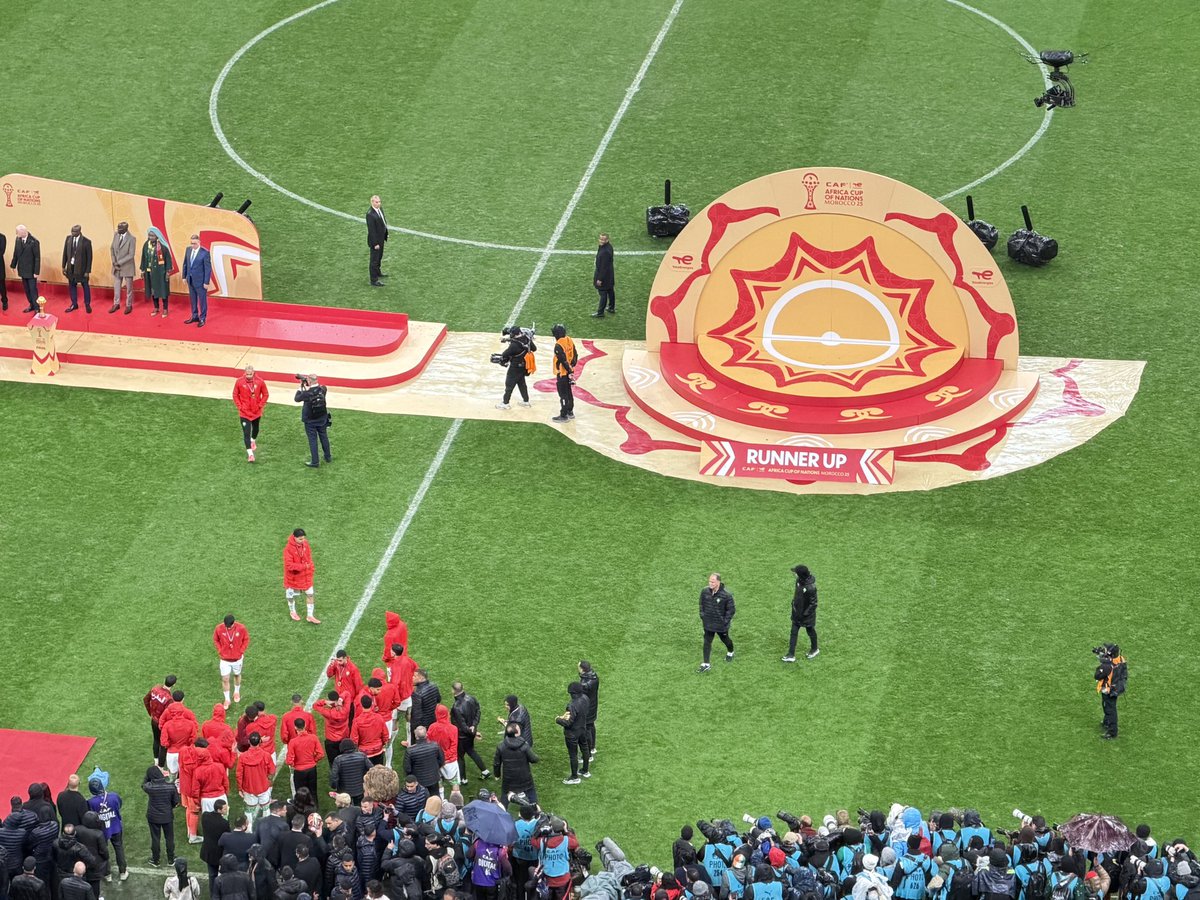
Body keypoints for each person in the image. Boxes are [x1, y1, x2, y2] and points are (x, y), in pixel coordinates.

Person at [86, 778, 126, 881]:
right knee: (119, 848)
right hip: (116, 827)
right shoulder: (114, 796)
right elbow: (119, 805)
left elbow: (90, 815)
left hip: (101, 831)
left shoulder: (90, 802)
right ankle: (123, 872)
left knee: (103, 851)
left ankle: (107, 874)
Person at [450, 682, 489, 784]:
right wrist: (474, 728)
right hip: (469, 734)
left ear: (453, 690)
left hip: (462, 736)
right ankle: (485, 771)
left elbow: (462, 726)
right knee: (471, 751)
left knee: (460, 756)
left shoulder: (456, 707)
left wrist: (472, 731)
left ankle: (463, 779)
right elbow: (478, 712)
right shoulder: (472, 698)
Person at [230, 365, 270, 462]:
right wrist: (240, 407)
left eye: (250, 374)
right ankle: (250, 454)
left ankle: (253, 440)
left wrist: (260, 406)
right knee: (246, 433)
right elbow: (235, 395)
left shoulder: (260, 381)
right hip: (244, 413)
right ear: (245, 373)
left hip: (256, 412)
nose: (248, 376)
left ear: (253, 372)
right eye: (247, 374)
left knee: (256, 429)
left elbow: (266, 394)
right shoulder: (239, 381)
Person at [493, 724, 539, 806]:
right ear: (516, 733)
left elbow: (497, 763)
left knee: (505, 796)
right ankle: (536, 813)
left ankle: (502, 813)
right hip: (524, 777)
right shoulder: (524, 745)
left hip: (509, 779)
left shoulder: (501, 746)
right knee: (531, 795)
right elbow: (534, 759)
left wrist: (497, 775)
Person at [698, 572, 735, 673]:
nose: (710, 583)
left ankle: (730, 652)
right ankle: (706, 664)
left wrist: (724, 622)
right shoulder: (705, 591)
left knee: (725, 639)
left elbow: (731, 610)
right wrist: (703, 616)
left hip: (720, 626)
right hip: (708, 623)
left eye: (713, 582)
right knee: (707, 642)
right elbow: (701, 604)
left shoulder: (726, 595)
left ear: (718, 582)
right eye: (709, 581)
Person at [142, 767, 179, 867]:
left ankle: (155, 860)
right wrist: (169, 807)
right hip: (167, 816)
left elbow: (143, 784)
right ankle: (171, 859)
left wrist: (147, 777)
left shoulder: (150, 787)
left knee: (155, 839)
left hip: (153, 817)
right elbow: (176, 802)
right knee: (169, 838)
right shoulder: (171, 786)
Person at [236, 733, 277, 824]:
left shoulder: (243, 757)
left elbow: (239, 774)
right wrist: (268, 780)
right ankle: (266, 828)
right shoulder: (266, 755)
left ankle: (248, 830)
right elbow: (272, 771)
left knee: (248, 811)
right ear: (260, 742)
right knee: (266, 809)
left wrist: (240, 788)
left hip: (248, 788)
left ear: (249, 742)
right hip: (263, 787)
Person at [783, 564, 819, 662]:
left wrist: (805, 614)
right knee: (793, 632)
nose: (794, 574)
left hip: (806, 616)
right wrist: (794, 604)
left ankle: (815, 649)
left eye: (796, 573)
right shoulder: (798, 581)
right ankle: (791, 654)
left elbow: (813, 604)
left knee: (810, 631)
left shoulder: (811, 587)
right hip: (796, 613)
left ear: (801, 575)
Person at [556, 683, 590, 785]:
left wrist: (558, 719)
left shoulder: (572, 705)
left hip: (572, 734)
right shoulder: (585, 698)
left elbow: (568, 722)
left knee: (573, 755)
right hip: (583, 729)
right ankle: (585, 770)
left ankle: (574, 777)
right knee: (585, 748)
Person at [295, 374, 332, 468]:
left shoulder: (307, 394)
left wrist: (301, 387)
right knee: (324, 437)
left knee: (313, 440)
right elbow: (320, 388)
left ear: (310, 381)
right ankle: (328, 457)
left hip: (310, 421)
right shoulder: (323, 389)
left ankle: (315, 462)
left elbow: (297, 398)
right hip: (322, 418)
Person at [213, 615, 250, 708]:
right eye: (226, 626)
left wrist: (241, 651)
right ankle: (227, 699)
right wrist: (220, 650)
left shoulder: (241, 628)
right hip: (224, 659)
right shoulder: (219, 628)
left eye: (229, 626)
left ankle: (236, 692)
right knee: (225, 679)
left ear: (234, 623)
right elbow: (215, 639)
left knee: (237, 675)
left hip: (237, 659)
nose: (228, 628)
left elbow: (246, 639)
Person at [495, 326, 536, 410]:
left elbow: (505, 354)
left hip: (515, 368)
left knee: (509, 385)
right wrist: (508, 340)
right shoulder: (527, 338)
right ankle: (526, 401)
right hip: (524, 367)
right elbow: (534, 348)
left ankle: (505, 403)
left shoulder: (514, 346)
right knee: (521, 383)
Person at [284, 529, 320, 623]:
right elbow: (289, 566)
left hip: (306, 575)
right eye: (300, 539)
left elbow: (308, 556)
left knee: (310, 594)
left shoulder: (305, 544)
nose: (303, 540)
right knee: (291, 596)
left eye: (303, 538)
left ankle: (310, 616)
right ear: (294, 538)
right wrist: (304, 566)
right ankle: (292, 611)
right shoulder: (288, 549)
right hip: (294, 578)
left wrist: (310, 567)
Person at [1094, 643, 1128, 740]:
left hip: (1108, 690)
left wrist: (1102, 662)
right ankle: (1107, 722)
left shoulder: (1107, 666)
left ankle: (1112, 732)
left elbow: (1097, 675)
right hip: (1116, 688)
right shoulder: (1121, 659)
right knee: (1109, 707)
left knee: (1110, 710)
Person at [143, 675, 178, 768]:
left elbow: (145, 699)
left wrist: (150, 712)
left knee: (156, 740)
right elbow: (168, 714)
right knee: (163, 744)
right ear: (174, 685)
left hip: (154, 720)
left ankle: (156, 761)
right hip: (162, 724)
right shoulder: (169, 699)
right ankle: (160, 766)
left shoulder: (155, 689)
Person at [402, 726, 445, 798]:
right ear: (426, 735)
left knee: (421, 801)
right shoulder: (435, 746)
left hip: (419, 781)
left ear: (415, 736)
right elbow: (442, 761)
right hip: (434, 778)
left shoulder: (410, 751)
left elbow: (407, 769)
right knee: (435, 800)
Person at [140, 228, 173, 316]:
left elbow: (168, 260)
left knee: (163, 290)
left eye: (152, 236)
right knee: (153, 290)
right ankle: (156, 307)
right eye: (149, 235)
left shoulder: (162, 247)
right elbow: (143, 258)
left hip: (160, 273)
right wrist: (142, 270)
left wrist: (167, 272)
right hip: (150, 272)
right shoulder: (146, 245)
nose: (150, 237)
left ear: (157, 236)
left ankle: (165, 309)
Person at [62, 225, 93, 314]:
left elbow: (89, 258)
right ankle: (74, 303)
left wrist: (87, 271)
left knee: (85, 286)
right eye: (72, 231)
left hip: (82, 269)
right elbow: (65, 253)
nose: (72, 233)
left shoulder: (86, 242)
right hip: (71, 268)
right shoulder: (68, 239)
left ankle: (87, 304)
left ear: (79, 231)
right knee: (72, 286)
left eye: (74, 232)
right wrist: (63, 266)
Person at [550, 324, 577, 424]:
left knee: (563, 395)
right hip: (569, 371)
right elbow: (575, 355)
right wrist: (572, 368)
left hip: (562, 373)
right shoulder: (569, 340)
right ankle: (570, 411)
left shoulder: (558, 345)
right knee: (569, 393)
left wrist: (569, 371)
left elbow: (563, 360)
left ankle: (563, 415)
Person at [329, 740, 370, 806]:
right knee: (360, 808)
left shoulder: (338, 760)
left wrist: (334, 786)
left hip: (344, 791)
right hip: (360, 789)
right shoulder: (362, 756)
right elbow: (372, 770)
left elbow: (334, 776)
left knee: (346, 810)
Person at [314, 690, 351, 764]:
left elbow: (315, 705)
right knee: (345, 762)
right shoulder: (346, 710)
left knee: (334, 764)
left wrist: (325, 702)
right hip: (344, 739)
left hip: (331, 741)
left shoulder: (328, 713)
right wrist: (340, 700)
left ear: (330, 701)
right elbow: (347, 693)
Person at [200, 801, 231, 889]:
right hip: (218, 853)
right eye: (225, 808)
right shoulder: (224, 823)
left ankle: (213, 894)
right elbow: (227, 836)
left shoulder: (205, 816)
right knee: (223, 874)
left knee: (212, 875)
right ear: (219, 810)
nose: (227, 809)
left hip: (208, 851)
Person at [426, 705, 459, 787]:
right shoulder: (453, 729)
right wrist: (445, 758)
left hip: (436, 760)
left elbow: (428, 743)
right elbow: (454, 747)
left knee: (439, 782)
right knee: (455, 784)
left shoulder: (432, 727)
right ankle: (456, 799)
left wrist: (440, 758)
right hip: (450, 761)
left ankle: (441, 799)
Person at [10, 225, 41, 313]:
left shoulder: (34, 242)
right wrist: (13, 265)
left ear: (23, 232)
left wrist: (36, 271)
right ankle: (31, 304)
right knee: (26, 289)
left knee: (33, 289)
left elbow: (37, 258)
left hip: (31, 271)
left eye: (17, 232)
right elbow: (15, 253)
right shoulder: (18, 240)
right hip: (22, 269)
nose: (16, 234)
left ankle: (37, 308)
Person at [182, 234, 211, 326]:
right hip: (190, 280)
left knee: (202, 300)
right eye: (191, 243)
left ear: (199, 242)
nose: (192, 245)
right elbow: (185, 264)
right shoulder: (188, 250)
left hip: (201, 281)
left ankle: (202, 318)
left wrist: (206, 282)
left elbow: (208, 269)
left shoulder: (205, 252)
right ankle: (194, 316)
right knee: (193, 299)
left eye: (194, 243)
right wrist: (184, 276)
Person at [351, 696, 389, 766]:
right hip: (378, 749)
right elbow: (385, 734)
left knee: (368, 774)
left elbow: (354, 739)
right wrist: (384, 744)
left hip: (365, 752)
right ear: (372, 704)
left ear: (361, 704)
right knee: (379, 771)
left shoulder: (357, 721)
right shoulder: (379, 717)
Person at [110, 221, 136, 314]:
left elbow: (131, 255)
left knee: (129, 288)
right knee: (116, 286)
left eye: (120, 229)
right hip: (116, 267)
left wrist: (119, 262)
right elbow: (112, 248)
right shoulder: (116, 235)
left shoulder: (132, 239)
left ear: (126, 229)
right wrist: (114, 261)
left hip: (127, 266)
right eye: (118, 228)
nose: (118, 230)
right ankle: (116, 303)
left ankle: (129, 305)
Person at [577, 661, 599, 759]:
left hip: (588, 708)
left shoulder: (587, 681)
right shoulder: (593, 676)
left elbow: (582, 690)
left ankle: (588, 753)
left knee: (587, 729)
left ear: (582, 669)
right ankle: (592, 747)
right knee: (591, 726)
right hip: (592, 706)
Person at [367, 195, 388, 287]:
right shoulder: (370, 214)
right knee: (374, 260)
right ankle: (374, 280)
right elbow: (371, 230)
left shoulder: (380, 209)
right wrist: (375, 243)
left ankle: (378, 272)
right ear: (372, 202)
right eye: (376, 202)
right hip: (375, 242)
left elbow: (383, 222)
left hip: (381, 238)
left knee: (379, 257)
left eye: (379, 202)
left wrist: (385, 233)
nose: (378, 203)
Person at [591, 233, 615, 317]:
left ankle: (600, 312)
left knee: (603, 293)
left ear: (607, 240)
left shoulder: (605, 251)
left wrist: (600, 279)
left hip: (604, 276)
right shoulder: (608, 247)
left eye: (603, 240)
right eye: (600, 239)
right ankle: (611, 307)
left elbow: (603, 267)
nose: (601, 241)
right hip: (609, 275)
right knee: (610, 290)